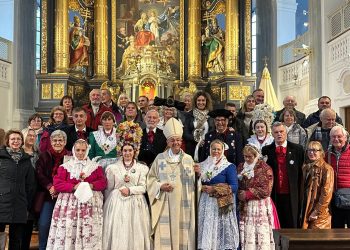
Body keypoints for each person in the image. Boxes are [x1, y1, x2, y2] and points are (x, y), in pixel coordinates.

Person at [147, 118, 200, 249]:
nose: (176, 142)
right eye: (172, 140)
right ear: (168, 142)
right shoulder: (160, 158)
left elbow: (196, 184)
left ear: (181, 141)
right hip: (165, 202)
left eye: (178, 140)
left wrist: (198, 175)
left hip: (184, 203)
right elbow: (150, 179)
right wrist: (160, 186)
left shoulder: (188, 159)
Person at [47, 139, 107, 249]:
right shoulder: (65, 166)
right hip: (69, 206)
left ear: (87, 151)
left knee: (89, 231)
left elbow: (103, 182)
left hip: (89, 206)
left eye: (83, 150)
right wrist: (74, 187)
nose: (80, 153)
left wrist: (91, 185)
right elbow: (58, 183)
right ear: (74, 150)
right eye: (78, 150)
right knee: (69, 229)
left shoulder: (95, 167)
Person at [103, 143, 151, 250]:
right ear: (121, 152)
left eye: (130, 150)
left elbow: (143, 187)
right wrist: (106, 205)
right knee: (118, 228)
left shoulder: (142, 168)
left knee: (135, 229)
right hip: (116, 202)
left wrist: (130, 190)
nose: (127, 153)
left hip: (136, 202)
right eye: (125, 150)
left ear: (135, 152)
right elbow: (109, 188)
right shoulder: (112, 168)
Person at [198, 139, 239, 249]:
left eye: (218, 149)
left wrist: (215, 189)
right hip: (205, 203)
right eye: (213, 149)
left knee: (220, 234)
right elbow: (196, 183)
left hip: (220, 204)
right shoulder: (202, 165)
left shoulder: (229, 166)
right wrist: (200, 187)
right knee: (207, 231)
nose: (216, 151)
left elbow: (234, 187)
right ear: (209, 150)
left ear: (223, 151)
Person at [262, 122, 304, 228]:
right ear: (272, 134)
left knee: (292, 223)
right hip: (274, 193)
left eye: (281, 131)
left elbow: (301, 173)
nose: (279, 134)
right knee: (276, 223)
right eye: (276, 132)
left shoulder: (297, 149)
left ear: (286, 133)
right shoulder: (266, 150)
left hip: (292, 194)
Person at [238, 144, 278, 249]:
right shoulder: (241, 167)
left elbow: (267, 190)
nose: (247, 159)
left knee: (261, 233)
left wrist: (247, 194)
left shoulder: (265, 168)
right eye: (245, 156)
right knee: (248, 232)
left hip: (260, 205)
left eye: (250, 156)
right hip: (246, 206)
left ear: (256, 155)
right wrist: (240, 193)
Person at [0, 130, 36, 250]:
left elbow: (30, 185)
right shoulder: (1, 157)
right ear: (7, 141)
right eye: (13, 139)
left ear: (22, 141)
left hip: (20, 204)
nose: (16, 141)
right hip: (2, 203)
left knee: (16, 240)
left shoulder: (26, 160)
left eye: (18, 139)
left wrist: (27, 205)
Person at [36, 130, 70, 250]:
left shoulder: (70, 156)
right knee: (44, 224)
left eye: (60, 140)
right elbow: (39, 174)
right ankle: (42, 247)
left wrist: (61, 187)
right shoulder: (44, 155)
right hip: (47, 196)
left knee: (64, 226)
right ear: (50, 142)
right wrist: (50, 186)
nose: (57, 143)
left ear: (65, 142)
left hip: (65, 197)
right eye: (54, 140)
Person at [300, 141, 334, 229]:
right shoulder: (306, 167)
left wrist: (316, 211)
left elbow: (326, 194)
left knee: (319, 240)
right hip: (307, 210)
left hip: (319, 215)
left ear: (321, 152)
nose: (311, 153)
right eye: (309, 150)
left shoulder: (327, 169)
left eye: (315, 150)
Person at [326, 126, 350, 228]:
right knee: (336, 230)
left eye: (339, 136)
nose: (336, 139)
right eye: (333, 137)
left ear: (345, 137)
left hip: (349, 197)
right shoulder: (327, 154)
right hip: (334, 198)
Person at [22, 128, 40, 249]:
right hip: (21, 192)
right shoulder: (19, 152)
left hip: (34, 192)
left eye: (34, 136)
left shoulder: (38, 154)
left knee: (29, 223)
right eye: (29, 135)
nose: (32, 138)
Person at [183, 90, 214, 158]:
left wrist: (205, 141)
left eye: (203, 100)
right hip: (192, 148)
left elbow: (212, 131)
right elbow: (185, 134)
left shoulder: (210, 116)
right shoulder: (189, 115)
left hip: (206, 147)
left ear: (206, 101)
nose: (201, 102)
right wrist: (197, 140)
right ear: (195, 102)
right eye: (198, 100)